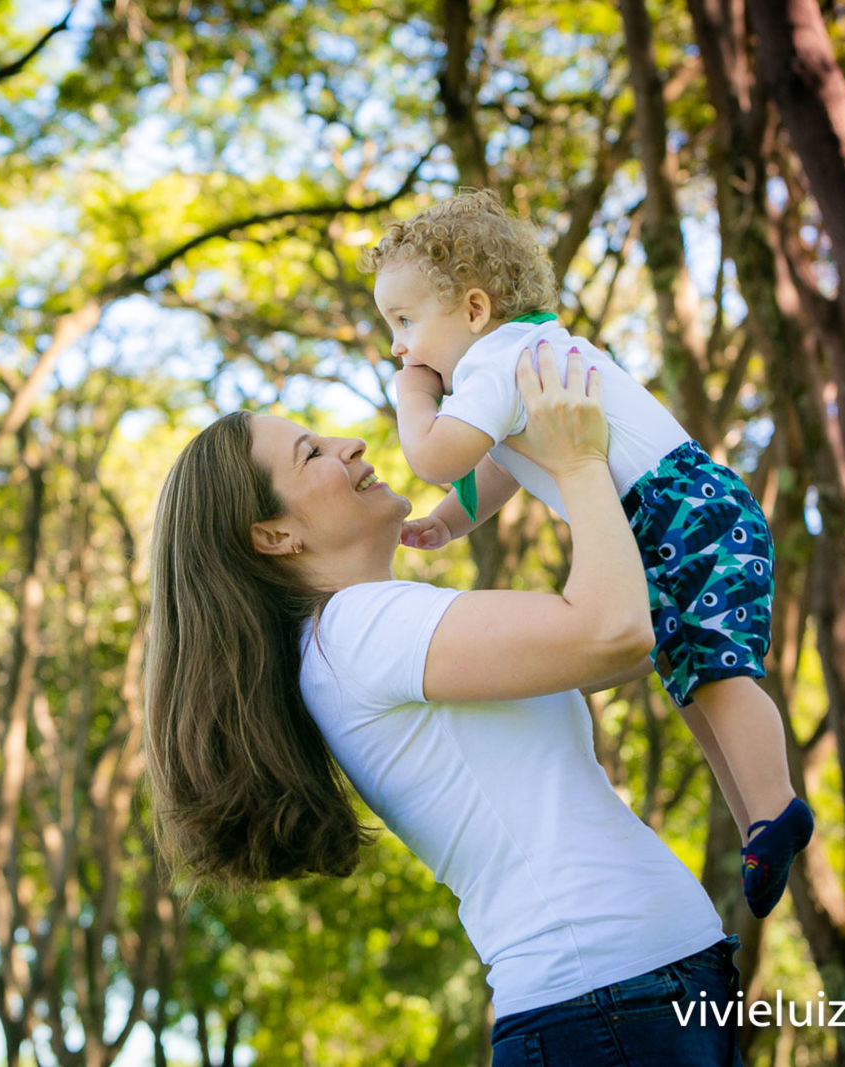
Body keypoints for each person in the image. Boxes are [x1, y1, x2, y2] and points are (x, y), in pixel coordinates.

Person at [145, 342, 742, 1064]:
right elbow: (613, 630)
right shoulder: (359, 631)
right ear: (275, 534)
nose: (349, 443)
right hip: (608, 1008)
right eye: (311, 453)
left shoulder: (363, 637)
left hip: (632, 998)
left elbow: (625, 638)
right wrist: (577, 460)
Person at [366, 189, 811, 917]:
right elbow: (506, 465)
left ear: (474, 310)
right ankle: (757, 820)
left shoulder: (495, 362)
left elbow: (438, 454)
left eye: (405, 322)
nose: (399, 347)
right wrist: (449, 523)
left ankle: (774, 806)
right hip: (685, 509)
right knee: (693, 676)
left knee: (717, 673)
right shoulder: (532, 356)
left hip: (678, 513)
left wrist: (411, 396)